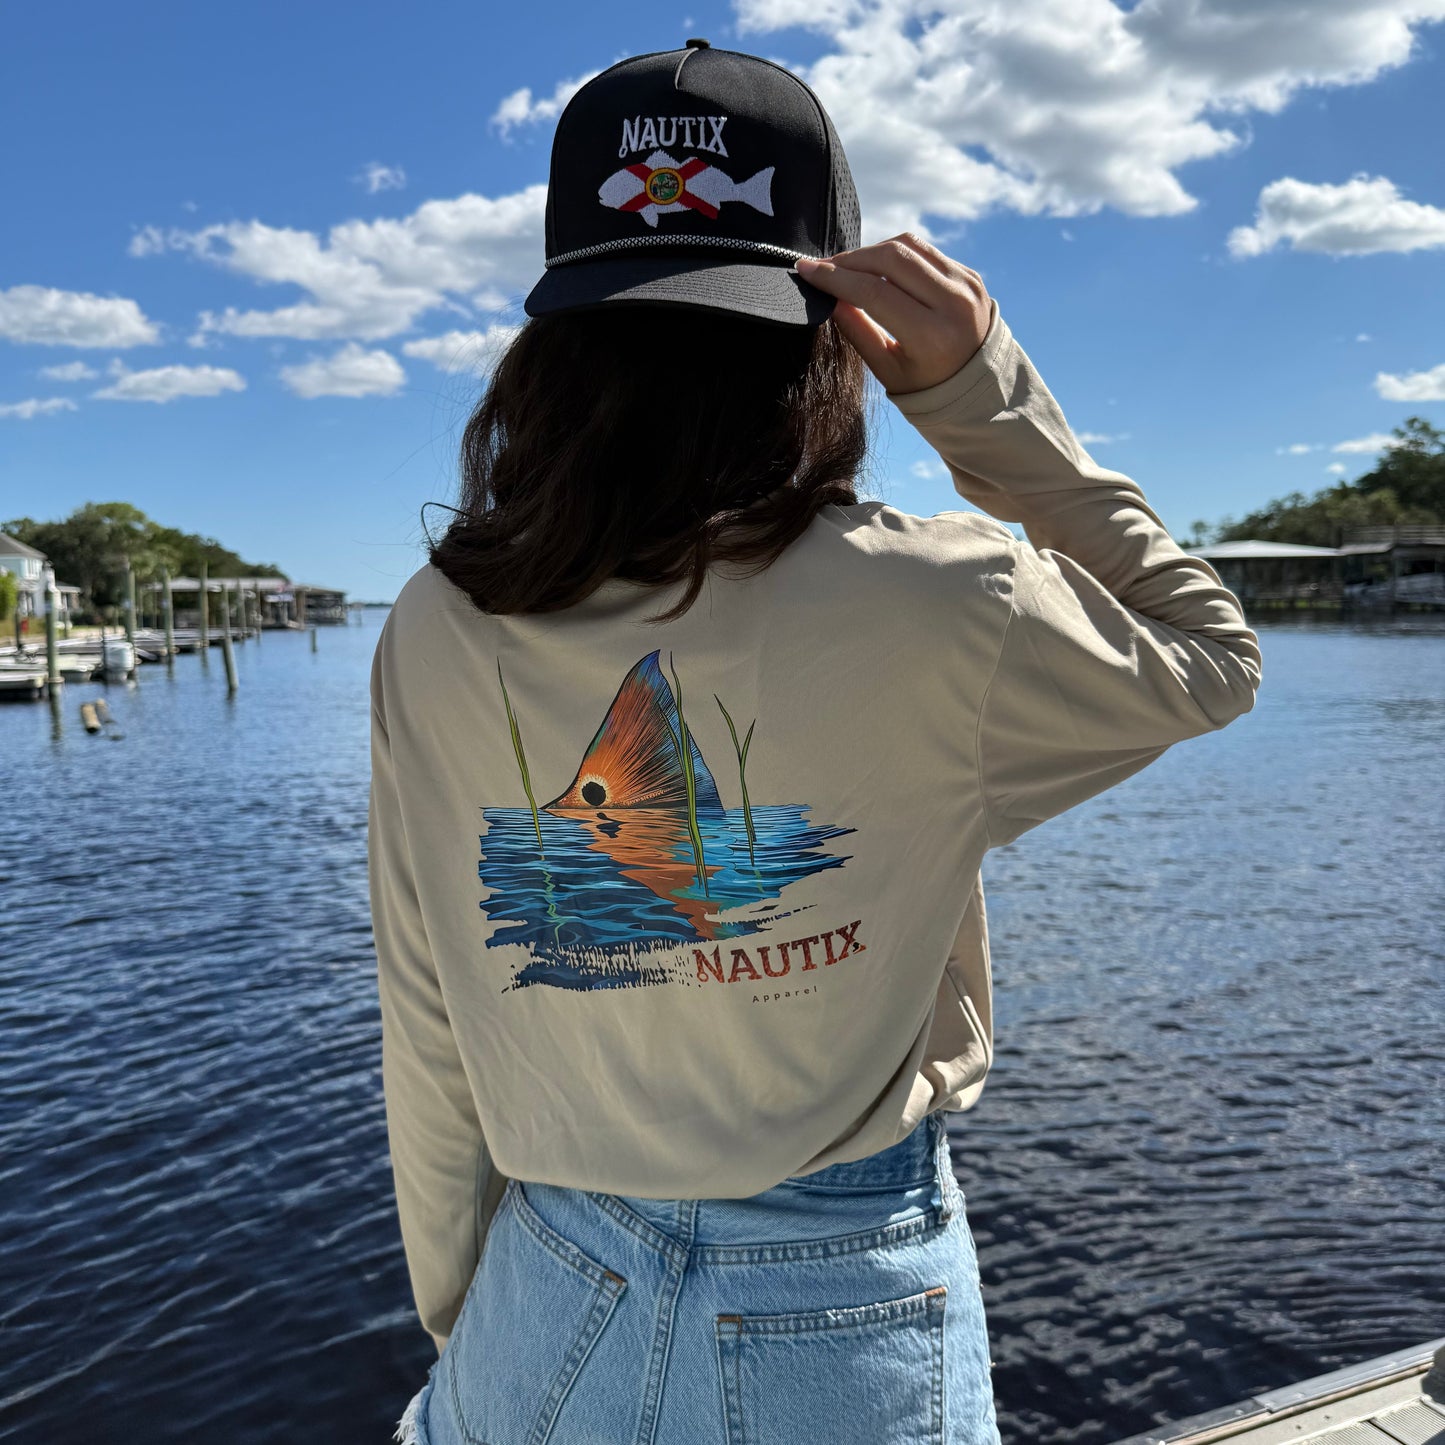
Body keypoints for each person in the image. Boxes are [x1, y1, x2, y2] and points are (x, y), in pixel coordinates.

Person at [368, 39, 1262, 1445]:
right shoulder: (947, 599)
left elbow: (424, 1017)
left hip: (542, 1280)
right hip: (839, 1299)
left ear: (552, 340)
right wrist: (985, 403)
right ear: (827, 323)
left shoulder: (435, 621)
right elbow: (1211, 655)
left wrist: (469, 1315)